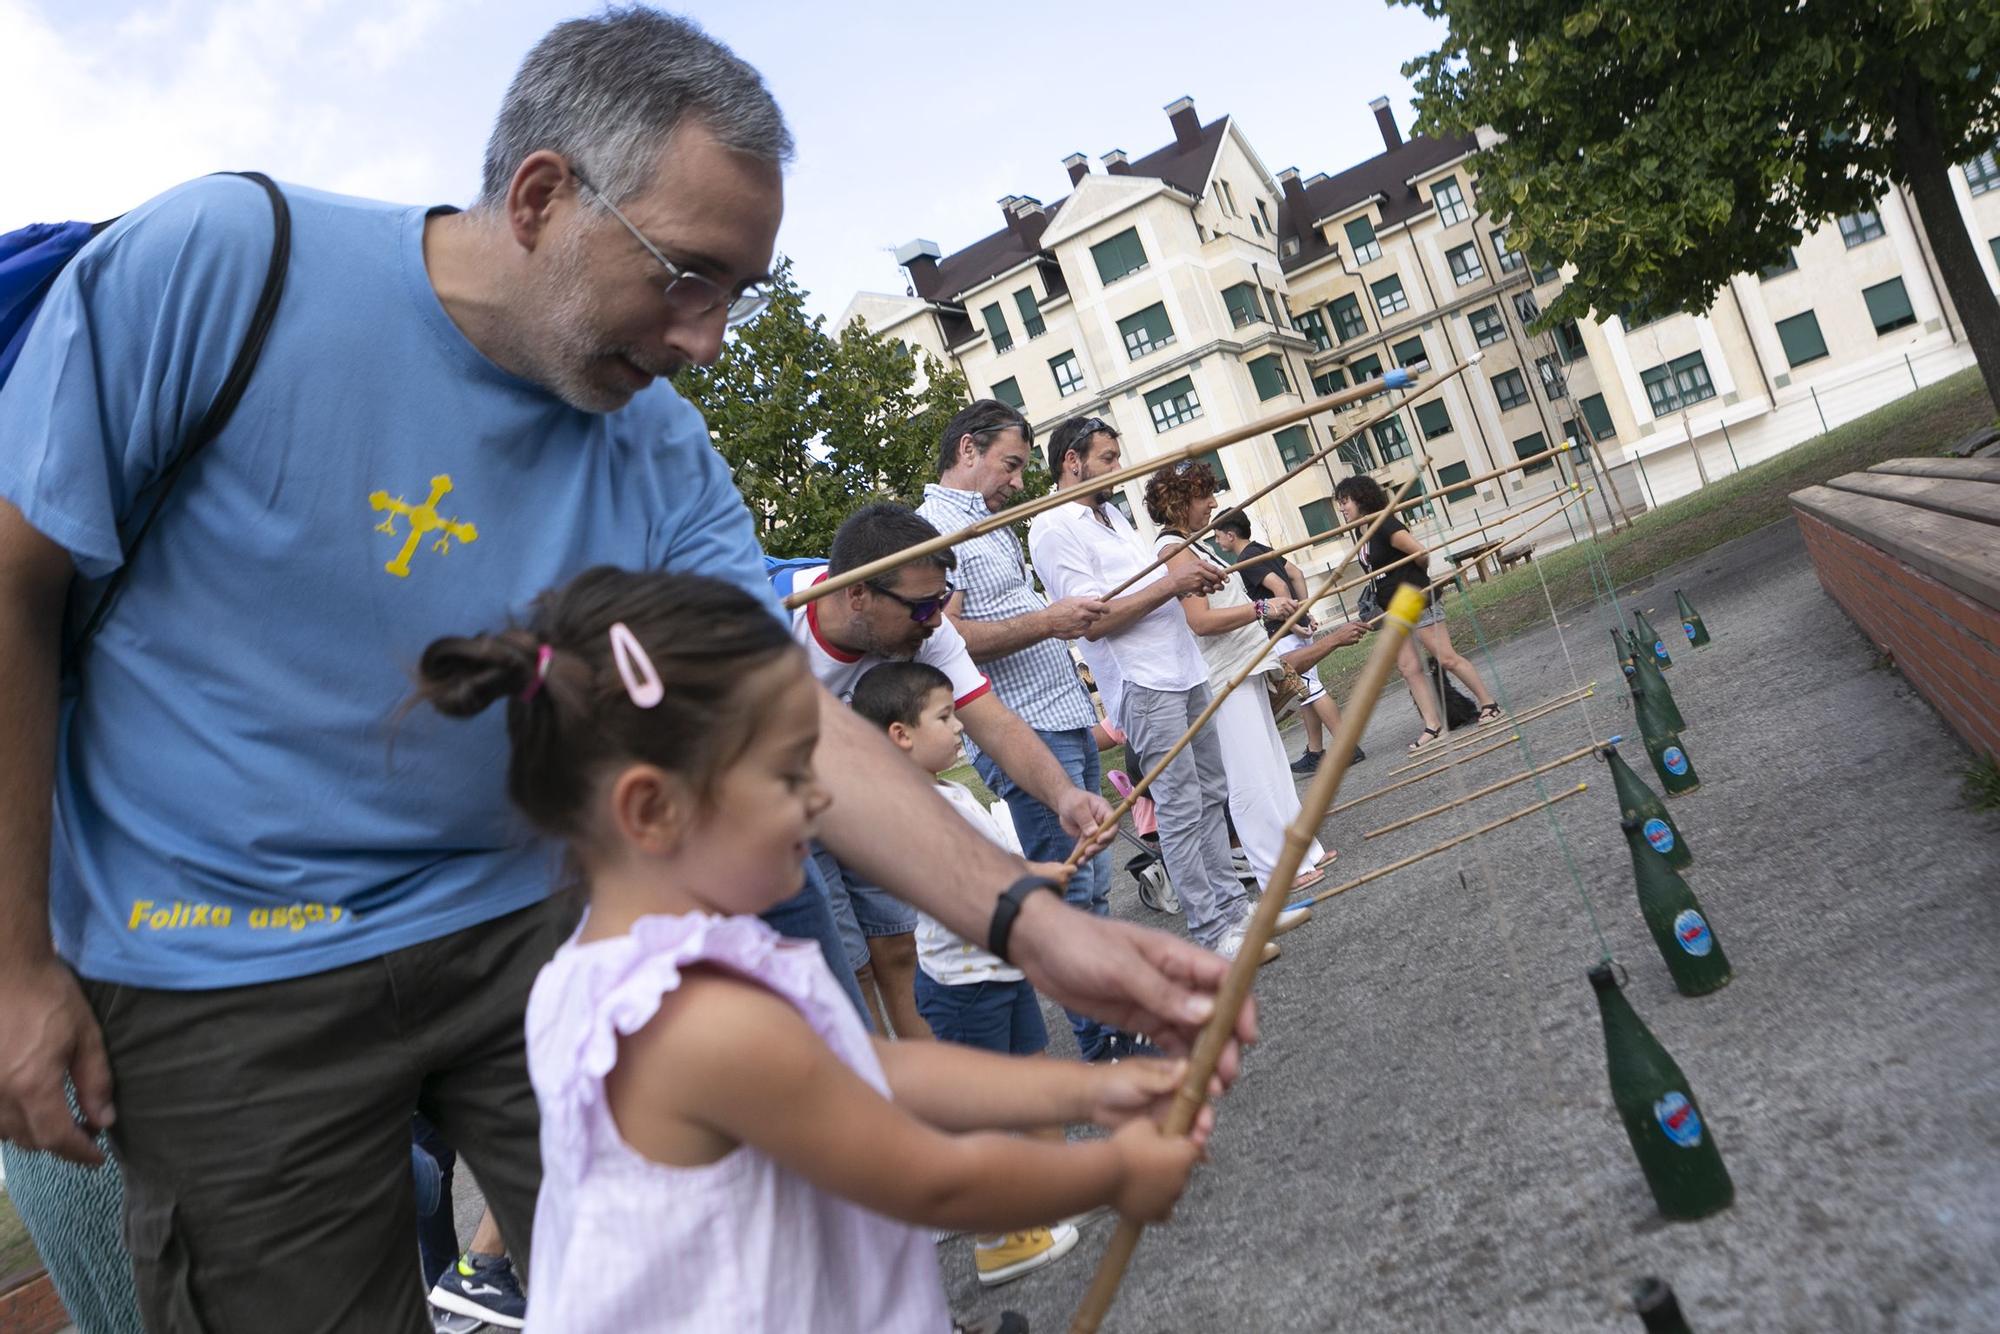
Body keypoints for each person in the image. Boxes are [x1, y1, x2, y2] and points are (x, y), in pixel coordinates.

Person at [0, 12, 1249, 1330]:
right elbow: (11, 586)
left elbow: (795, 725)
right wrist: (15, 965)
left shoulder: (654, 448)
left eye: (738, 294)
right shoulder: (219, 267)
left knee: (730, 1277)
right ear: (541, 196)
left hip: (532, 940)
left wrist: (1035, 926)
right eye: (684, 275)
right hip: (220, 970)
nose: (706, 340)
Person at [413, 566, 1208, 1331]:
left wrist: (1089, 1096)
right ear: (654, 810)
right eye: (790, 772)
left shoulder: (615, 967)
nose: (823, 796)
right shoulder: (698, 1019)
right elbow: (926, 1178)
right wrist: (1116, 1172)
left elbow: (870, 1068)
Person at [774, 501, 1117, 1040]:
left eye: (939, 601)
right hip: (782, 808)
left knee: (900, 945)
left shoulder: (926, 628)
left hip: (871, 801)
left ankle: (939, 1102)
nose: (935, 619)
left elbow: (994, 722)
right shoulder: (768, 628)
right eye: (919, 607)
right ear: (856, 593)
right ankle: (878, 1095)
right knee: (847, 964)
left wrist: (1064, 796)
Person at [1029, 417, 1308, 962]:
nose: (1118, 467)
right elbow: (1092, 621)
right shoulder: (1052, 527)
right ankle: (1212, 931)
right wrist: (1174, 583)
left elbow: (1156, 586)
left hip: (1183, 670)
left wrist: (1188, 576)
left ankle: (1233, 910)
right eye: (1108, 457)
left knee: (1211, 794)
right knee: (1180, 809)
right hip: (1142, 681)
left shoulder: (1110, 514)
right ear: (1072, 461)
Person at [851, 659, 1090, 1286]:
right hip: (960, 988)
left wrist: (1041, 873)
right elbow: (960, 882)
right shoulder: (904, 809)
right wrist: (1034, 879)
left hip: (999, 971)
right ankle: (999, 1240)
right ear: (901, 734)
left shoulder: (954, 793)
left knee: (1034, 1081)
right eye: (944, 717)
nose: (960, 729)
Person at [917, 400, 1142, 1061]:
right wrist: (1049, 621)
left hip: (1059, 714)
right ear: (968, 450)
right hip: (1023, 732)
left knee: (1094, 881)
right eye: (1010, 464)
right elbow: (946, 636)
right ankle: (1102, 1039)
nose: (1021, 480)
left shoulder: (989, 522)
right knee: (1070, 888)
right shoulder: (935, 530)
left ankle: (1111, 1023)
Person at [1143, 464, 1354, 896]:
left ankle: (1301, 851)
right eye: (1206, 496)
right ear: (1182, 500)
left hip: (1247, 661)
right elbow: (1199, 621)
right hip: (1223, 674)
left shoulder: (1194, 543)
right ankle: (1274, 868)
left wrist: (1271, 617)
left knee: (1273, 764)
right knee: (1248, 775)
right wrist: (1263, 610)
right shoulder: (1172, 550)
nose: (1214, 504)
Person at [1333, 475, 1502, 752]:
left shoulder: (1383, 522)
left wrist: (1412, 579)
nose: (1342, 509)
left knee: (1445, 657)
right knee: (1408, 667)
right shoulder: (1360, 531)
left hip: (1414, 598)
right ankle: (1432, 726)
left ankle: (1489, 703)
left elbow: (1420, 553)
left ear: (1361, 499)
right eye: (1340, 503)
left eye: (1345, 502)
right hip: (1392, 607)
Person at [1210, 506, 1365, 775]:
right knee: (1303, 689)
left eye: (1218, 535)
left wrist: (1293, 623)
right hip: (1295, 626)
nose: (1216, 541)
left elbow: (1280, 589)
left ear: (1231, 535)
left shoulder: (1247, 559)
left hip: (1284, 632)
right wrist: (1305, 613)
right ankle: (1316, 751)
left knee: (1310, 687)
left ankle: (1348, 747)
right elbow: (1296, 574)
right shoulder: (1261, 548)